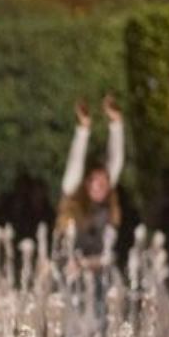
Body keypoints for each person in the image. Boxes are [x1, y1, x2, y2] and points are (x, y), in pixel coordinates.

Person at [56, 94, 125, 266]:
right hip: (72, 272)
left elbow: (115, 163)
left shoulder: (107, 200)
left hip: (99, 270)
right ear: (86, 183)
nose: (102, 187)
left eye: (105, 183)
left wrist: (117, 122)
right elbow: (76, 163)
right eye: (97, 182)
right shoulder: (72, 192)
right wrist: (83, 128)